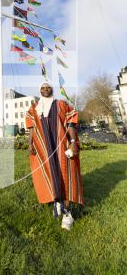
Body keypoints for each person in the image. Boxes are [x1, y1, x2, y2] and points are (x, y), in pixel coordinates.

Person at [26, 81, 84, 231]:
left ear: (52, 90)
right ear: (39, 90)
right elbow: (32, 129)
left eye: (48, 88)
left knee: (66, 175)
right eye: (43, 88)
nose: (45, 90)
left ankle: (67, 212)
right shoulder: (34, 108)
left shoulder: (61, 104)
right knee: (50, 174)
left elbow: (71, 123)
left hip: (62, 145)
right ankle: (56, 201)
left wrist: (72, 142)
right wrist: (30, 144)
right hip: (44, 148)